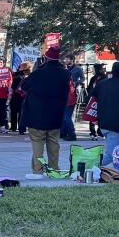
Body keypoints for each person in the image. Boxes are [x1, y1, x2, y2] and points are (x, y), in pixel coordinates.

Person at [20, 46, 71, 174]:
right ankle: (54, 169)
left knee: (38, 143)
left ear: (46, 58)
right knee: (53, 143)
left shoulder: (38, 73)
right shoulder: (65, 74)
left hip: (37, 115)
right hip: (56, 115)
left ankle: (38, 170)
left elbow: (24, 86)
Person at [61, 54, 83, 141]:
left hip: (71, 94)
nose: (66, 61)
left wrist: (75, 83)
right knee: (65, 116)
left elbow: (82, 78)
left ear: (71, 59)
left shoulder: (77, 69)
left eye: (67, 59)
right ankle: (63, 132)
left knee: (67, 117)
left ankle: (71, 133)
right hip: (68, 95)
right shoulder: (65, 70)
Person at [85, 63, 107, 140]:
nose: (92, 71)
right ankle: (92, 132)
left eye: (93, 69)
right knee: (92, 114)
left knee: (100, 116)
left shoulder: (105, 78)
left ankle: (100, 132)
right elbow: (89, 88)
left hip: (101, 99)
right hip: (92, 99)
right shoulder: (93, 78)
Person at [9, 61, 31, 134]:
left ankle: (13, 127)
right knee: (22, 113)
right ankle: (22, 128)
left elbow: (13, 86)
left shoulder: (16, 75)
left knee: (14, 112)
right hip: (24, 96)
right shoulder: (30, 76)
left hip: (16, 96)